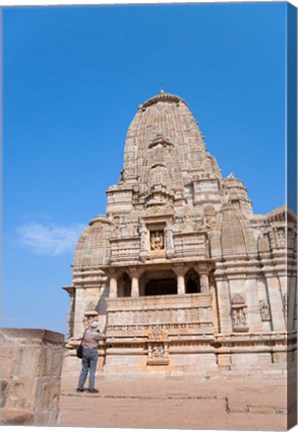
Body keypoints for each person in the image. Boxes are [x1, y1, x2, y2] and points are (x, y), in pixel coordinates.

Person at [76, 320, 107, 393]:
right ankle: (91, 388)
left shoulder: (86, 332)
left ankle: (80, 387)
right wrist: (99, 331)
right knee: (92, 370)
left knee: (84, 369)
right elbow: (104, 336)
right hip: (92, 352)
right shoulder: (96, 335)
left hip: (85, 351)